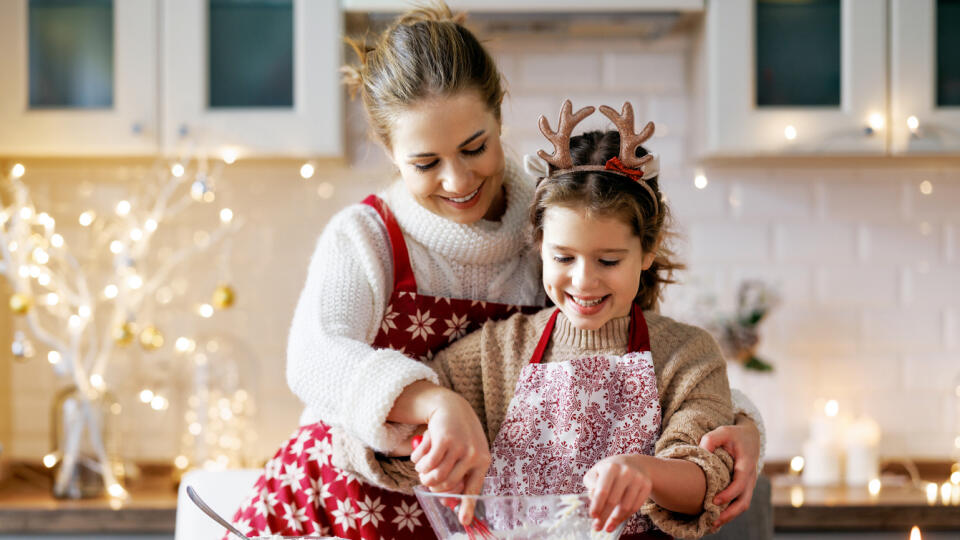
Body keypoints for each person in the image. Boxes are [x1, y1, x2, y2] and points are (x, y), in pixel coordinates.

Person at [225, 5, 763, 540]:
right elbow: (315, 358)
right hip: (340, 500)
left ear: (499, 117)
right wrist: (435, 401)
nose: (458, 179)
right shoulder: (366, 235)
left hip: (458, 521)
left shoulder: (558, 224)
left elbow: (629, 349)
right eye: (425, 163)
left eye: (474, 147)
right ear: (391, 152)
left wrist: (739, 425)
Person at [401, 101, 736, 539]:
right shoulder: (498, 352)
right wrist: (435, 424)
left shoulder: (686, 355)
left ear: (647, 252)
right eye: (563, 257)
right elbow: (403, 402)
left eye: (609, 260)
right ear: (539, 246)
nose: (584, 280)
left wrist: (645, 472)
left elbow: (704, 480)